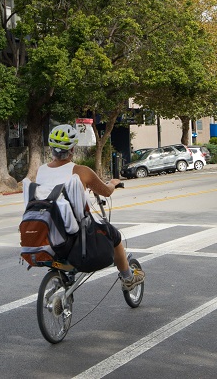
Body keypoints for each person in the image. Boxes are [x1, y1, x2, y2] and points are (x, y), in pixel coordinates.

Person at [30, 124, 145, 291]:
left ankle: (66, 273)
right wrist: (112, 183)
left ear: (52, 149)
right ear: (72, 149)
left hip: (50, 227)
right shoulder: (81, 171)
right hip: (76, 229)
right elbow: (105, 192)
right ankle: (128, 277)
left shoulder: (41, 171)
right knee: (115, 236)